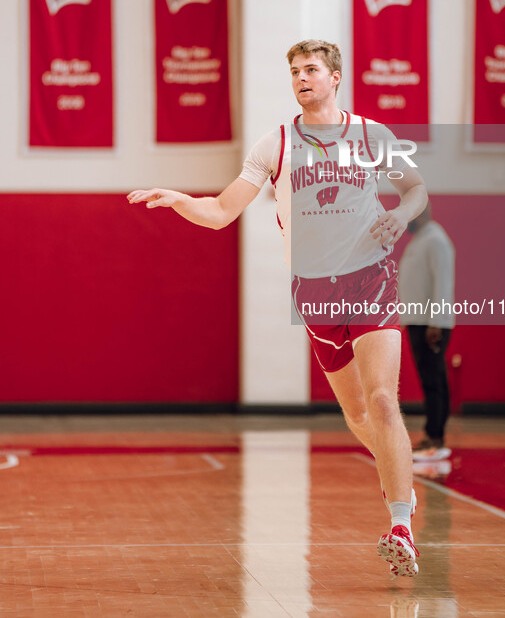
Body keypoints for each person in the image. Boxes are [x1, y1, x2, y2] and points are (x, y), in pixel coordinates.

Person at [127, 39, 428, 576]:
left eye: (311, 69)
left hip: (371, 278)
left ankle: (401, 524)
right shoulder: (275, 145)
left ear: (336, 77)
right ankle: (395, 464)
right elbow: (221, 211)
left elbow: (416, 192)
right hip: (313, 291)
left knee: (383, 399)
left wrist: (402, 216)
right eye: (294, 71)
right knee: (357, 414)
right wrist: (179, 201)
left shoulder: (372, 135)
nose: (301, 78)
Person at [398, 204, 455, 462]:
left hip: (429, 324)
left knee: (433, 382)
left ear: (421, 212)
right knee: (432, 380)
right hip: (418, 320)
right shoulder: (420, 241)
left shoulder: (435, 240)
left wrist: (436, 322)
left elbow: (442, 282)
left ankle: (434, 438)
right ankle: (434, 436)